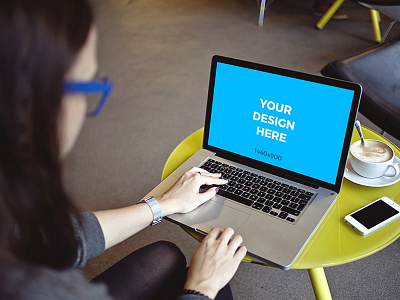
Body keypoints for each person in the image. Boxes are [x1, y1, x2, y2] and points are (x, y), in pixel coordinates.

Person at [0, 0, 247, 299]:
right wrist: (202, 288)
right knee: (219, 290)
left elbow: (60, 239)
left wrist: (163, 205)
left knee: (166, 256)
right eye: (87, 85)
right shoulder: (35, 288)